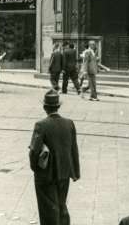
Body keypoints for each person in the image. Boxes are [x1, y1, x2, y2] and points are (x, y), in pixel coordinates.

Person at [29, 89, 80, 225]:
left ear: (45, 107)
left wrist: (35, 168)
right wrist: (75, 172)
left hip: (46, 175)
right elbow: (74, 149)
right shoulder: (69, 123)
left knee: (48, 210)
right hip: (64, 173)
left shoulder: (41, 125)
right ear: (58, 106)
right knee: (61, 205)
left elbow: (34, 152)